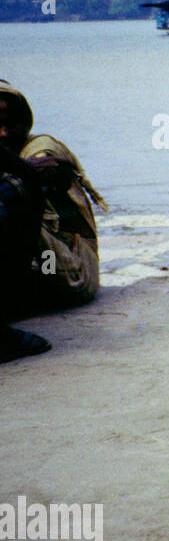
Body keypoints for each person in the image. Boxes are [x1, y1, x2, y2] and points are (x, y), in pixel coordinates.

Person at [0, 80, 78, 363]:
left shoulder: (38, 147)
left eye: (12, 123)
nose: (5, 133)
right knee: (19, 189)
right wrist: (27, 171)